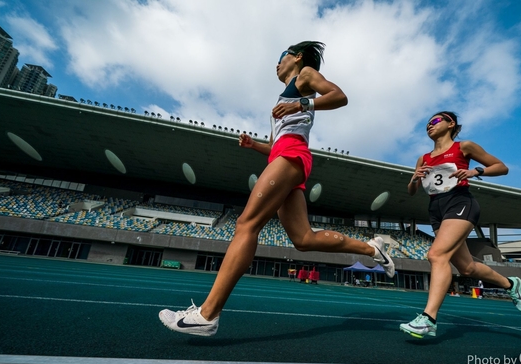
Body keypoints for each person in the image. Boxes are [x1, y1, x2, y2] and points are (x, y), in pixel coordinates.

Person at [159, 41, 395, 336]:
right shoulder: (282, 98)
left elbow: (340, 96)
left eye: (281, 57)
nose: (276, 64)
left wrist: (301, 102)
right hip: (283, 156)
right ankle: (372, 248)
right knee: (304, 238)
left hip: (292, 156)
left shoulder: (305, 75)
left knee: (246, 224)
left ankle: (208, 314)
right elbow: (274, 144)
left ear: (296, 58)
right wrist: (253, 145)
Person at [399, 111, 521, 339]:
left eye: (435, 121)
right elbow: (412, 191)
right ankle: (511, 284)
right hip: (436, 208)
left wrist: (475, 171)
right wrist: (414, 178)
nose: (430, 125)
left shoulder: (463, 147)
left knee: (437, 255)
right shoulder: (424, 158)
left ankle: (428, 319)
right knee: (467, 268)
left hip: (460, 202)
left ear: (451, 124)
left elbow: (501, 167)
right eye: (427, 123)